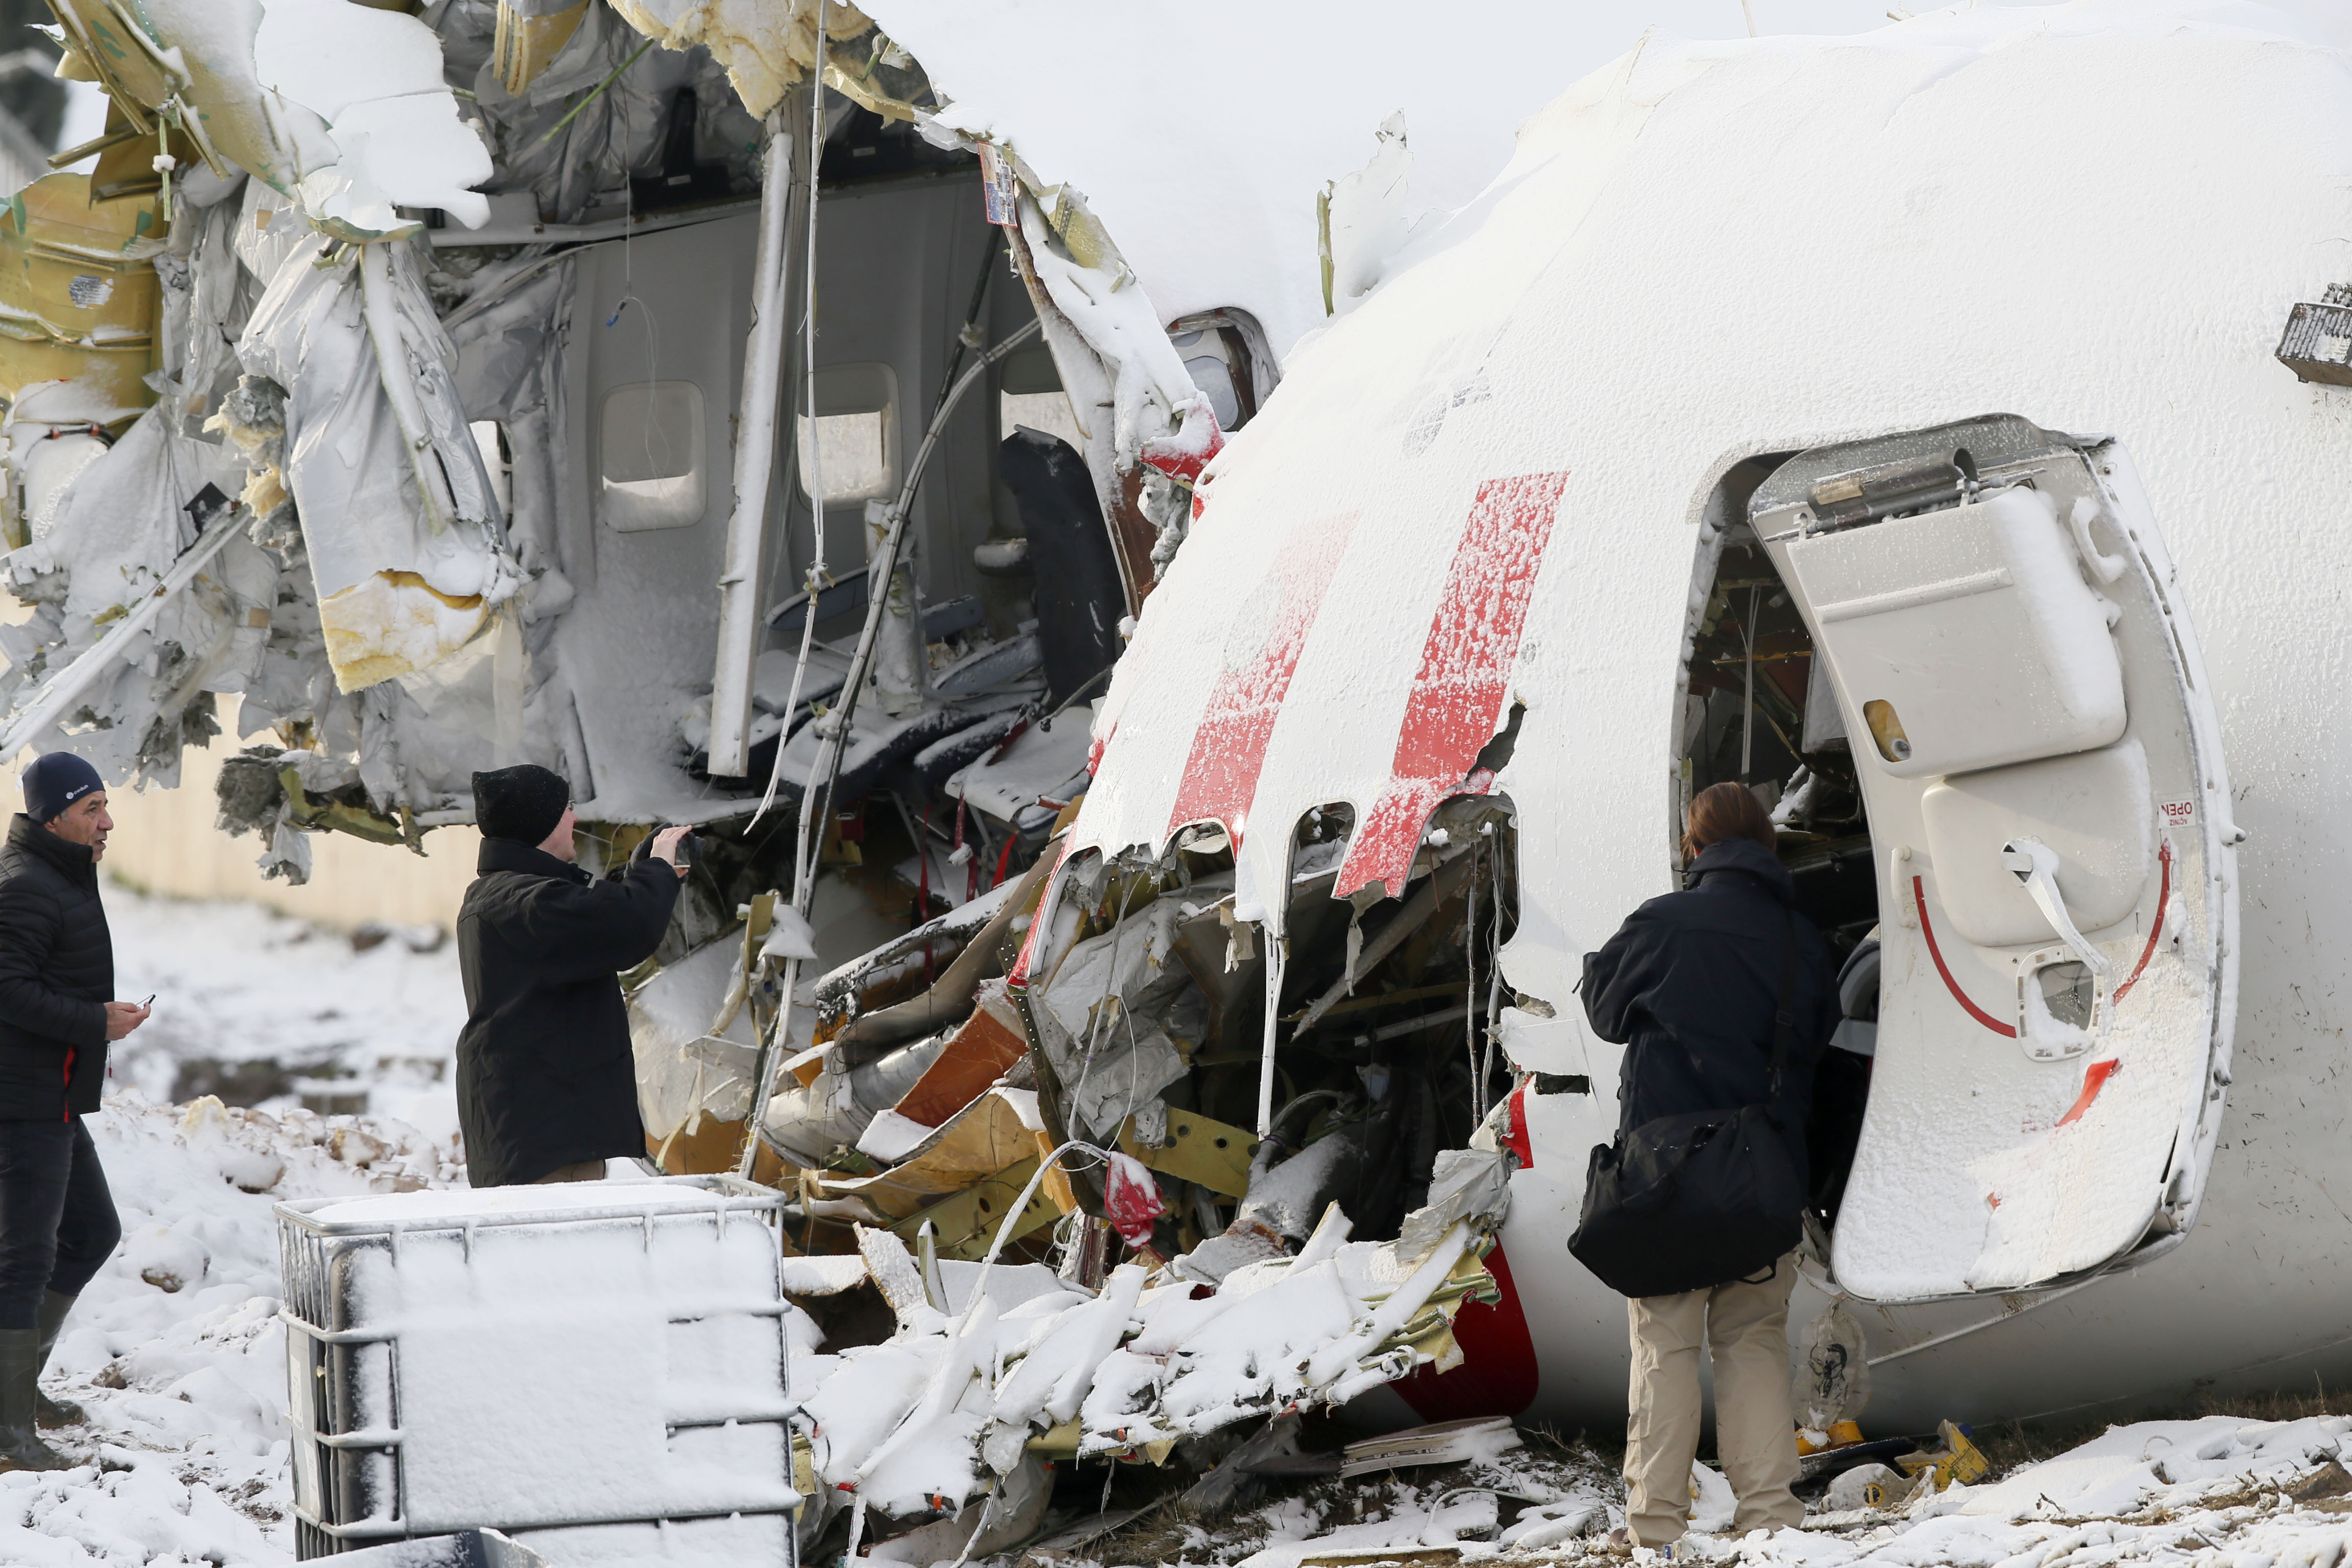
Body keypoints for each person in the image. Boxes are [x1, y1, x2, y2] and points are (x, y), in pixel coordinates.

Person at [1580, 781, 1840, 1551]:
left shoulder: (1664, 922)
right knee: (1754, 1342)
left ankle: (1656, 1528)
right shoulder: (1802, 939)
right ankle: (1771, 1518)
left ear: (1695, 849)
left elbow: (1603, 1012)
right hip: (1763, 1181)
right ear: (1768, 845)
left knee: (1665, 1347)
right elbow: (1820, 1044)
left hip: (1667, 1178)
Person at [0, 753, 148, 1471]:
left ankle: (19, 1393)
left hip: (51, 1092)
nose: (106, 822)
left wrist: (95, 1022)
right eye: (92, 809)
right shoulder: (27, 887)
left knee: (92, 1231)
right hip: (21, 1099)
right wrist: (93, 1020)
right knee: (23, 1261)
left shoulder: (56, 877)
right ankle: (8, 1434)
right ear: (53, 815)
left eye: (104, 807)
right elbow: (6, 989)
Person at [455, 765, 688, 1188]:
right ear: (540, 821)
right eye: (567, 808)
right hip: (547, 1141)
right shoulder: (523, 902)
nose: (575, 818)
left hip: (535, 1135)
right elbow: (626, 928)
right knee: (563, 1252)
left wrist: (639, 876)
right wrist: (654, 872)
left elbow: (592, 921)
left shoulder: (506, 896)